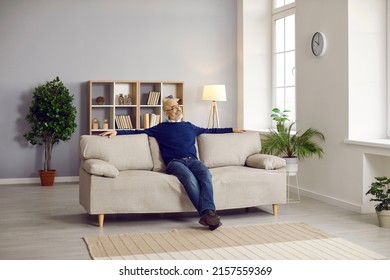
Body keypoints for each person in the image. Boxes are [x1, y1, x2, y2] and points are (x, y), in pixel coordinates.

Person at [100, 98, 245, 230]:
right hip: (174, 163)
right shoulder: (160, 128)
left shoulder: (190, 126)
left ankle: (208, 214)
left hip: (193, 161)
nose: (178, 109)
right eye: (174, 107)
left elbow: (211, 130)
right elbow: (138, 131)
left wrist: (233, 129)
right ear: (167, 112)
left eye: (179, 106)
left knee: (206, 174)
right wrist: (117, 131)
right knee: (188, 178)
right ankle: (208, 213)